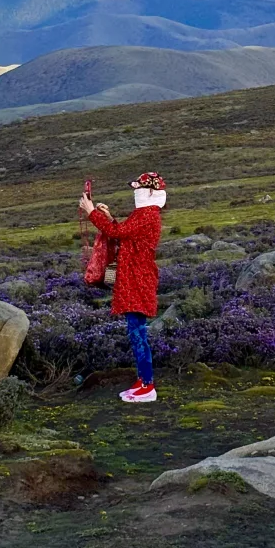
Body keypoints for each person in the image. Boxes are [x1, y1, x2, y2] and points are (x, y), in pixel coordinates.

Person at [79, 172, 166, 403]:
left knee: (137, 333)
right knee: (137, 331)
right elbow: (126, 234)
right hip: (136, 278)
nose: (135, 192)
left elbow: (118, 234)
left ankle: (147, 386)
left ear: (149, 191)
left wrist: (92, 212)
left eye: (138, 188)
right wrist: (109, 217)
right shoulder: (146, 213)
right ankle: (143, 381)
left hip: (137, 279)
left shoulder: (147, 214)